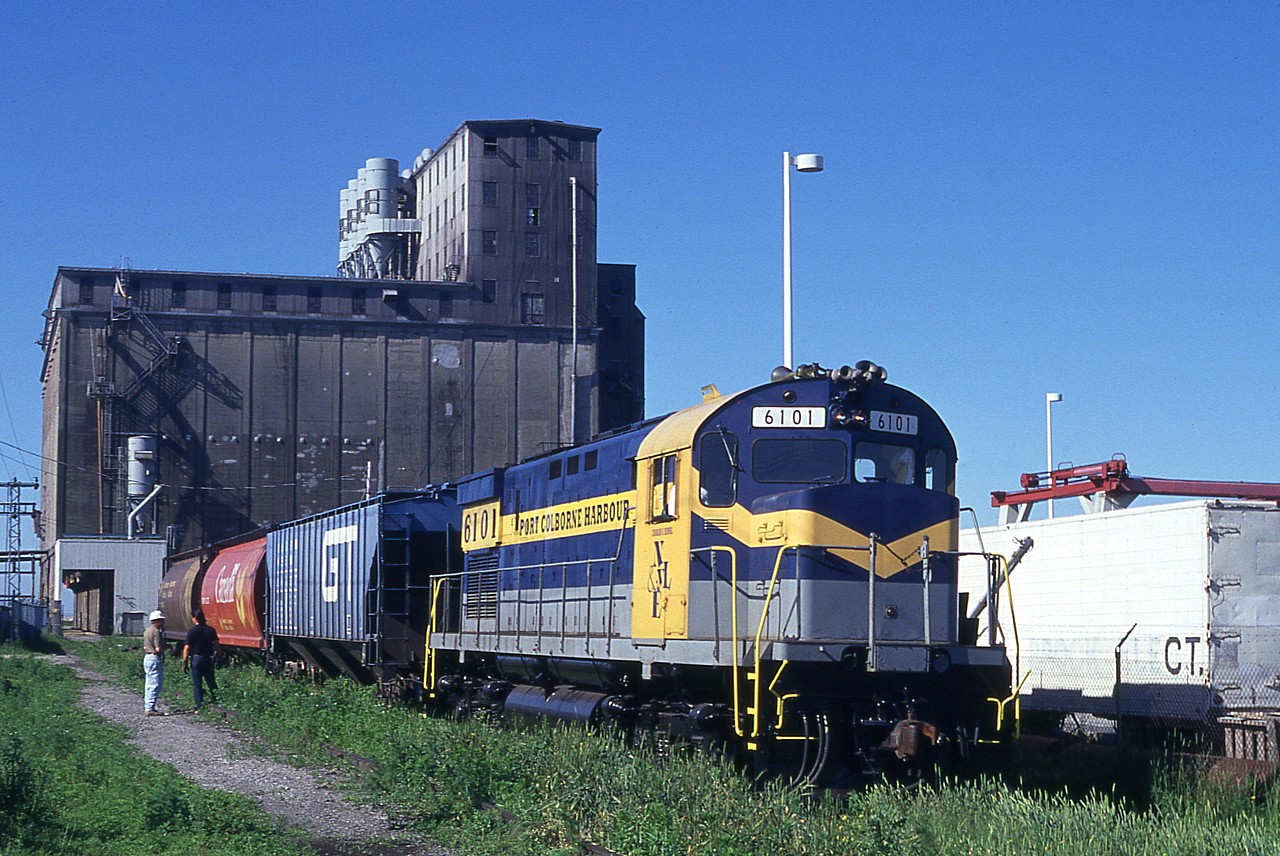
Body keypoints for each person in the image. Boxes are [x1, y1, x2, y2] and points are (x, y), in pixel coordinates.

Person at [183, 609, 220, 713]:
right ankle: (216, 699)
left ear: (195, 618)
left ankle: (199, 706)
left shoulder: (192, 631)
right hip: (208, 658)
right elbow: (217, 644)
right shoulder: (211, 630)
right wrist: (219, 656)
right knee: (211, 681)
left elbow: (187, 648)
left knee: (197, 683)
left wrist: (185, 662)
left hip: (196, 659)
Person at [142, 610, 169, 716]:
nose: (163, 622)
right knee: (155, 684)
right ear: (157, 621)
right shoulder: (156, 632)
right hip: (154, 658)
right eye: (162, 620)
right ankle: (150, 709)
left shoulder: (147, 631)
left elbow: (145, 646)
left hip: (147, 657)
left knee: (149, 683)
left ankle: (148, 706)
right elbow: (158, 649)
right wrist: (167, 647)